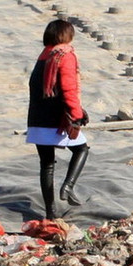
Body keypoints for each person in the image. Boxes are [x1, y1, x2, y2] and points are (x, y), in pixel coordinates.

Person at [26, 19, 90, 220]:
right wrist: (77, 114)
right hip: (56, 119)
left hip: (37, 118)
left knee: (47, 164)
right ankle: (68, 186)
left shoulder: (44, 55)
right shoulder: (65, 55)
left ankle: (50, 213)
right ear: (66, 35)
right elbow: (68, 88)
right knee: (81, 149)